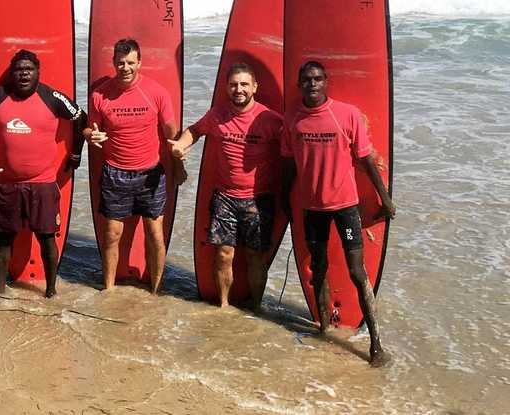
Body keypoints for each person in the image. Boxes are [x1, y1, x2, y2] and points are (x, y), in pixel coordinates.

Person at [280, 61, 396, 367]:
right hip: (312, 209)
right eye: (306, 80)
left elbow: (366, 160)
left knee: (357, 273)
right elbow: (289, 166)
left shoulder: (346, 114)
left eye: (317, 79)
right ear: (299, 84)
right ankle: (324, 330)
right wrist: (284, 202)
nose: (312, 84)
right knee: (318, 269)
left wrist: (384, 197)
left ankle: (375, 344)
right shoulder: (292, 120)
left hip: (346, 207)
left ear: (326, 82)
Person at [167, 62, 283, 309]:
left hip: (258, 199)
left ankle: (256, 307)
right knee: (223, 255)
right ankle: (223, 307)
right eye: (233, 84)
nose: (238, 89)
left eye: (243, 84)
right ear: (226, 87)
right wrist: (180, 146)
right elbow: (195, 131)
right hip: (225, 198)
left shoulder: (269, 119)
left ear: (254, 87)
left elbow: (293, 144)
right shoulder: (217, 115)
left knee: (255, 258)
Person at [0, 50, 84, 298]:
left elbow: (80, 116)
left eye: (29, 69)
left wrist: (76, 152)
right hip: (5, 183)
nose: (23, 73)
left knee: (46, 238)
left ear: (37, 72)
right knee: (3, 240)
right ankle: (0, 292)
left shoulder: (52, 97)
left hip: (42, 183)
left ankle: (51, 291)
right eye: (18, 69)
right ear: (12, 73)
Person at [85, 38, 185, 294]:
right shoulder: (100, 95)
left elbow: (172, 134)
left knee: (155, 234)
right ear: (114, 63)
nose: (125, 67)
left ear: (139, 62)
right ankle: (107, 289)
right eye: (120, 62)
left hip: (151, 174)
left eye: (130, 62)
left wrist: (179, 166)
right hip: (115, 173)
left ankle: (156, 289)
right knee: (112, 234)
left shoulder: (156, 92)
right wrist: (90, 136)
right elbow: (90, 127)